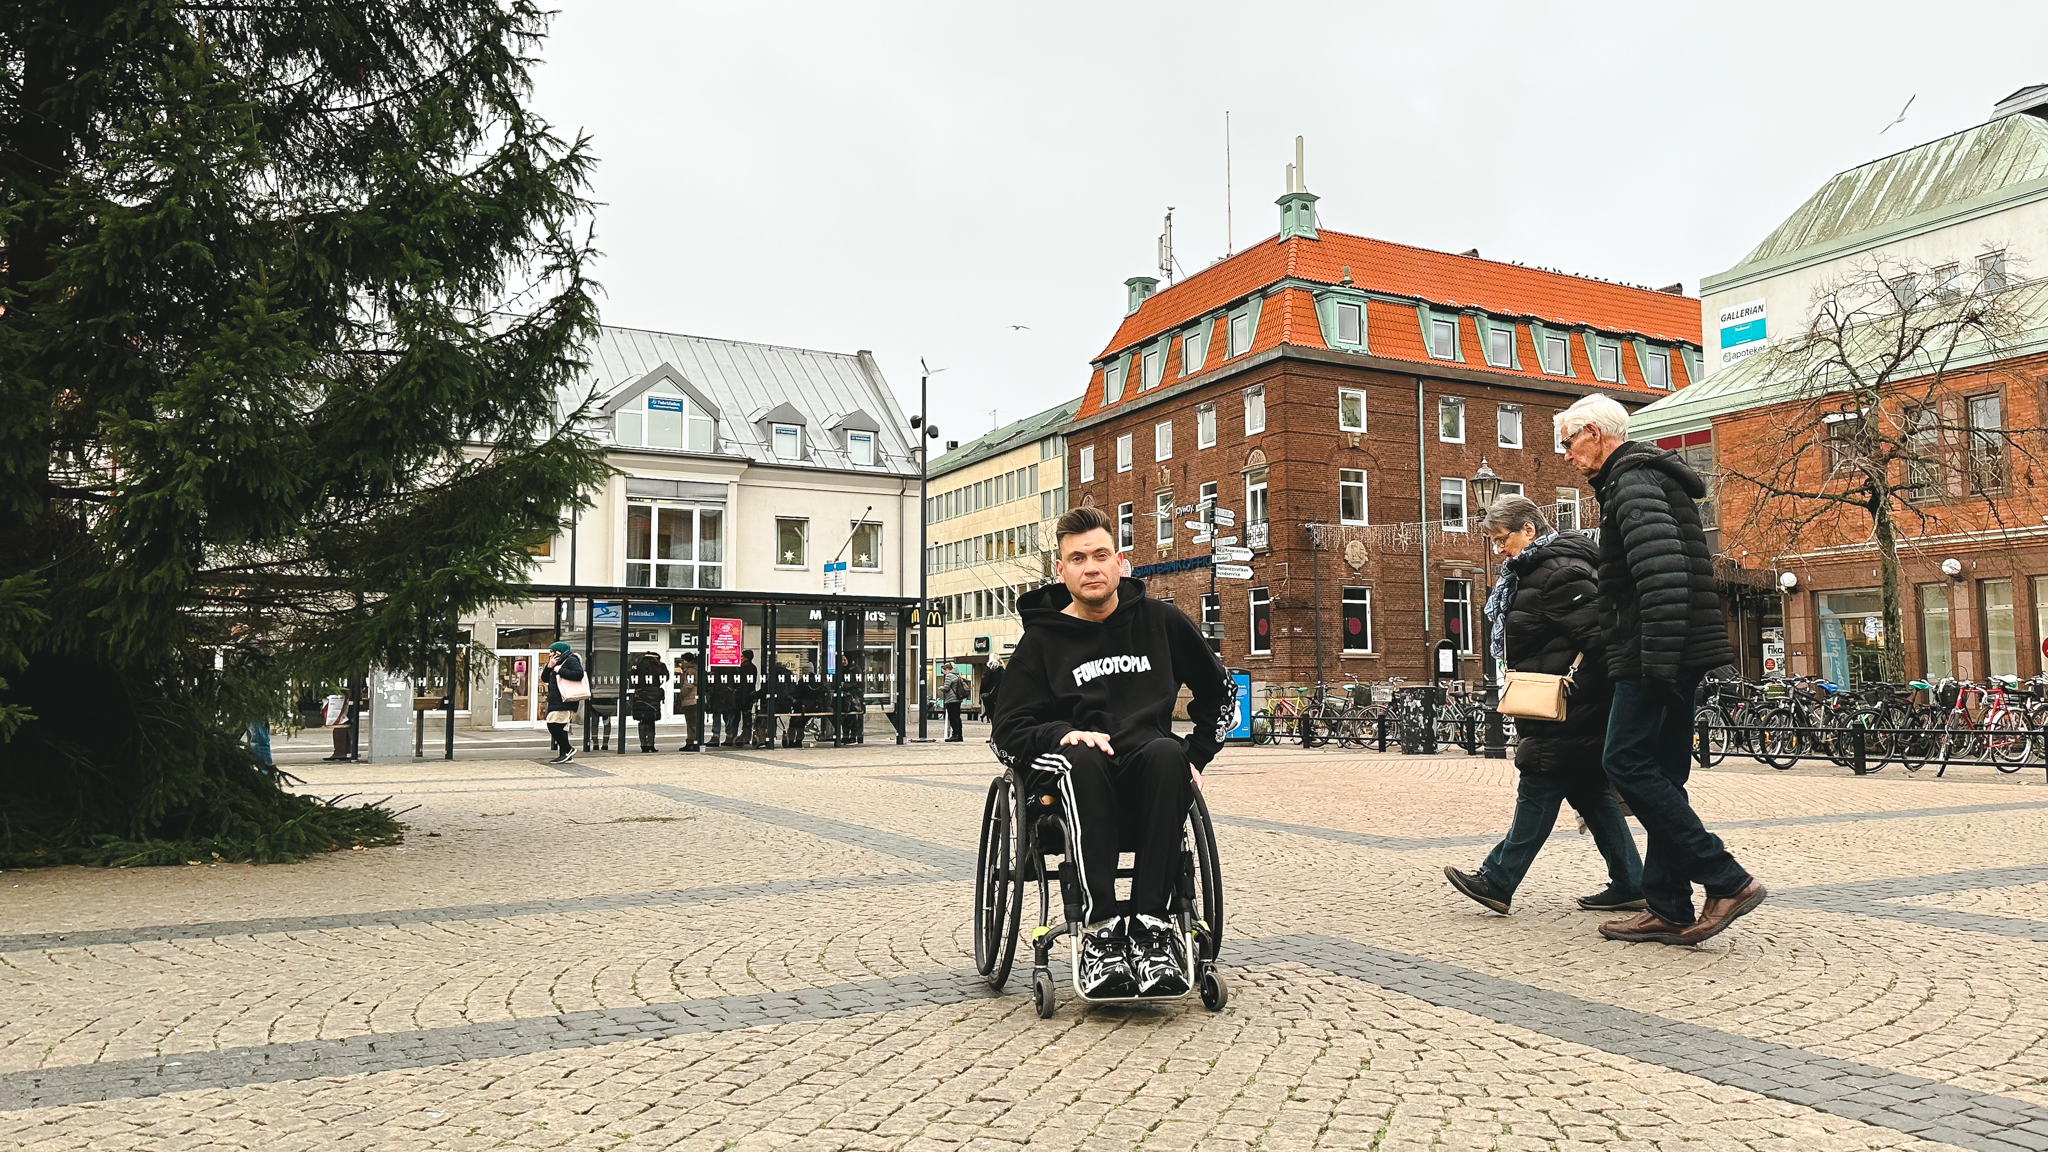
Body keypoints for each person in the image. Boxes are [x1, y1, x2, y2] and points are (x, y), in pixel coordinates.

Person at [994, 504, 1233, 999]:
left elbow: (1221, 693)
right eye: (1078, 558)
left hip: (1145, 768)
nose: (1091, 567)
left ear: (1120, 562)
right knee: (1081, 757)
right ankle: (1100, 929)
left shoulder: (1162, 621)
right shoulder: (1041, 641)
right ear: (1061, 571)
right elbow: (1007, 730)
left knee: (1168, 753)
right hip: (1073, 772)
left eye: (1101, 555)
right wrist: (1059, 734)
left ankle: (1151, 927)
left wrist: (1198, 753)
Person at [1559, 393, 1766, 946]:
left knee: (1624, 762)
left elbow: (1665, 574)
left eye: (1568, 441)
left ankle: (1726, 878)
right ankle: (1669, 904)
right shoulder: (1641, 480)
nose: (1565, 454)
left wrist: (1653, 662)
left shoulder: (1631, 482)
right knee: (1664, 775)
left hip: (1658, 656)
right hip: (1674, 652)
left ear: (1596, 433)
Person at [1444, 494, 1644, 916]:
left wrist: (1592, 694)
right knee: (1591, 794)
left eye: (1502, 539)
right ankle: (1631, 882)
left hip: (1566, 707)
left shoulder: (1559, 573)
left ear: (1529, 530)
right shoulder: (1534, 572)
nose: (1498, 550)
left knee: (1538, 783)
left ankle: (1498, 880)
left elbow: (1604, 642)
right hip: (1562, 704)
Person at [539, 641, 584, 764]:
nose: (550, 654)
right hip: (557, 699)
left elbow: (579, 674)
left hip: (565, 700)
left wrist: (560, 670)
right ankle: (565, 755)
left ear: (559, 652)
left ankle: (568, 749)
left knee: (552, 723)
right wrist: (550, 666)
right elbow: (544, 678)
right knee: (561, 727)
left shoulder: (571, 660)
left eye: (552, 652)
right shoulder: (555, 663)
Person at [628, 652, 668, 753]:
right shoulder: (659, 666)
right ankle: (651, 744)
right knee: (651, 720)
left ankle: (643, 744)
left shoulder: (638, 665)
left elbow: (631, 678)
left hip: (640, 696)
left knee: (642, 721)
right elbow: (666, 677)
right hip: (654, 696)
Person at [674, 654, 703, 752]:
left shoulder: (690, 671)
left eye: (682, 661)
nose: (681, 663)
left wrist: (681, 695)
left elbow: (688, 685)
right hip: (693, 700)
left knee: (692, 723)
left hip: (691, 700)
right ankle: (691, 742)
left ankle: (693, 742)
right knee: (692, 723)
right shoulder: (693, 670)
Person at [736, 650, 760, 747]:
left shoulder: (744, 667)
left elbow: (742, 682)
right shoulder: (753, 667)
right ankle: (747, 734)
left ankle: (745, 735)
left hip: (744, 695)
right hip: (750, 694)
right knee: (747, 715)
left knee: (744, 715)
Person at [940, 664, 968, 741]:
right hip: (957, 699)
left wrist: (941, 688)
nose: (944, 672)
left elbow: (946, 688)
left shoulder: (949, 676)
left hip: (951, 699)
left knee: (953, 718)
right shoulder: (957, 676)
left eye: (944, 670)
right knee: (957, 717)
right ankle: (959, 735)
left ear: (948, 669)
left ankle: (955, 734)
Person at [980, 659, 1005, 725]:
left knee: (992, 714)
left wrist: (981, 694)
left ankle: (994, 731)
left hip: (990, 696)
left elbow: (984, 684)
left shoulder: (989, 673)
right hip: (1001, 697)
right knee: (999, 715)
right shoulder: (1003, 673)